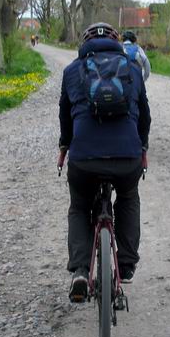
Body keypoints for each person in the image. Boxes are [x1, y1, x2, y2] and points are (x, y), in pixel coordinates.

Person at [58, 22, 151, 302]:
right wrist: (142, 149)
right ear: (117, 42)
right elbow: (145, 118)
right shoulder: (133, 70)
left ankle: (80, 271)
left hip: (84, 159)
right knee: (128, 197)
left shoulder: (72, 71)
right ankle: (125, 263)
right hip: (127, 158)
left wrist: (65, 148)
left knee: (79, 206)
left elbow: (66, 117)